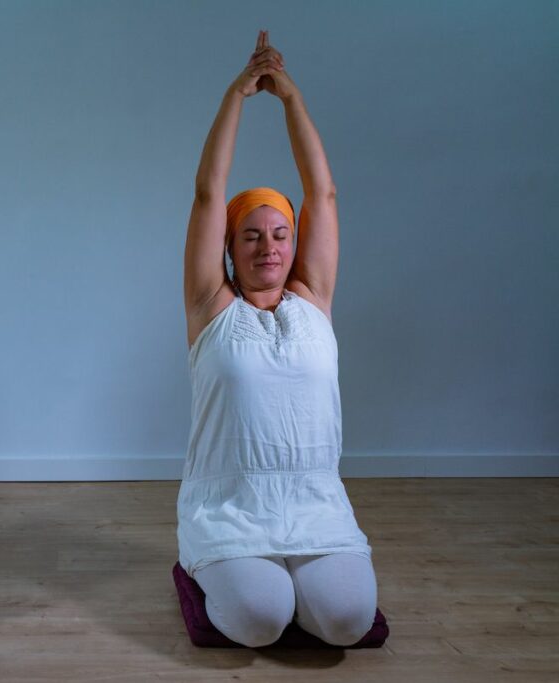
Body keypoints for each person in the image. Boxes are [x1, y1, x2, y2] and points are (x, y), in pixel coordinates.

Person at [178, 31, 376, 648]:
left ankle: (295, 589)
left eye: (282, 233)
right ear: (231, 248)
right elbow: (209, 192)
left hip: (316, 503)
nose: (269, 246)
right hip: (230, 506)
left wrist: (290, 99)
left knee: (347, 623)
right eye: (252, 235)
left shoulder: (313, 300)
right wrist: (236, 95)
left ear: (296, 242)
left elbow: (324, 193)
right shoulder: (212, 306)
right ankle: (215, 572)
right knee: (261, 622)